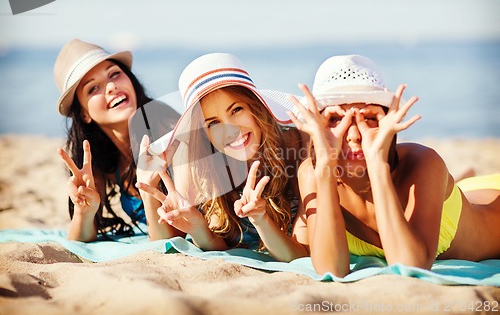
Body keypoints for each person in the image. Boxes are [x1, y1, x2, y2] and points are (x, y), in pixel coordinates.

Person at [289, 55, 500, 277]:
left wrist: (377, 165)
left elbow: (410, 267)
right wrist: (324, 167)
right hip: (464, 194)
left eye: (368, 118)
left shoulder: (423, 162)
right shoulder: (312, 173)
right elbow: (331, 270)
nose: (353, 134)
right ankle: (463, 179)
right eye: (335, 119)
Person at [136, 53, 309, 261]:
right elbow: (166, 246)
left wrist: (261, 219)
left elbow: (301, 255)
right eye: (213, 123)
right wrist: (148, 191)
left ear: (256, 108)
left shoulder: (295, 146)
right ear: (202, 132)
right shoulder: (195, 162)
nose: (231, 130)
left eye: (236, 110)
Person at [54, 39, 181, 242]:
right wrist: (84, 211)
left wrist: (150, 194)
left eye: (114, 74)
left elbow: (175, 239)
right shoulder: (100, 159)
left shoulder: (170, 135)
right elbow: (79, 240)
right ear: (84, 114)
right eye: (93, 88)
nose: (111, 86)